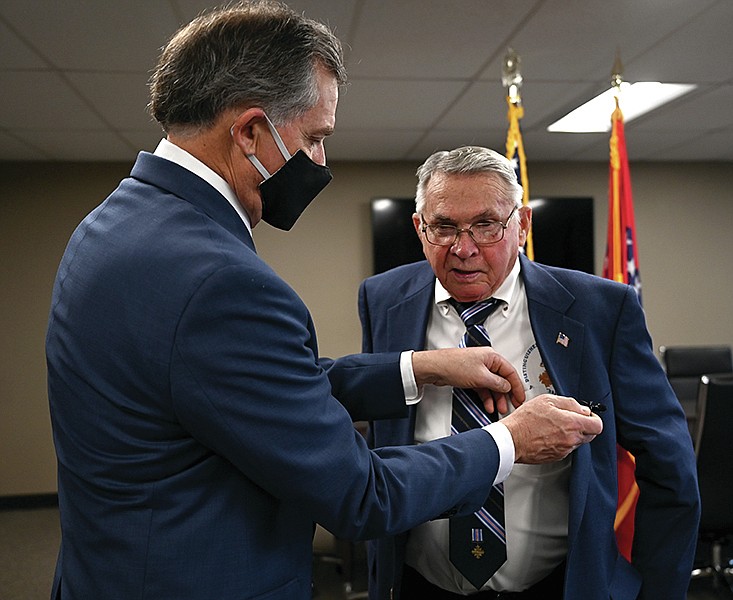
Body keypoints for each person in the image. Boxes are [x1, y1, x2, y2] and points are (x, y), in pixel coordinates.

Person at [45, 4, 603, 599]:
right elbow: (362, 495)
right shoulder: (222, 280)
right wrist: (510, 441)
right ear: (251, 132)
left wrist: (417, 368)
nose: (321, 162)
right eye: (315, 138)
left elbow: (243, 390)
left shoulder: (113, 224)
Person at [358, 145, 700, 600]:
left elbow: (669, 464)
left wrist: (657, 591)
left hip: (558, 586)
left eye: (486, 225)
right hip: (420, 584)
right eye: (444, 227)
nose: (464, 248)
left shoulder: (600, 310)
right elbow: (379, 435)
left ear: (521, 225)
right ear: (420, 228)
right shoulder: (383, 299)